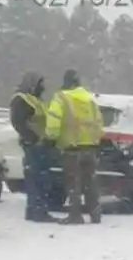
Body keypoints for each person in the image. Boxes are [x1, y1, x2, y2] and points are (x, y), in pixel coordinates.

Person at [44, 68, 103, 225]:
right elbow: (99, 122)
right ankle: (95, 213)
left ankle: (75, 216)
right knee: (90, 182)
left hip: (71, 147)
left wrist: (51, 138)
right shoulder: (89, 99)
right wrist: (96, 141)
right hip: (90, 147)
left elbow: (54, 119)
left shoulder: (61, 98)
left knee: (73, 183)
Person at [9, 72, 54, 222]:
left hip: (42, 145)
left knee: (41, 179)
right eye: (40, 84)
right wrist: (31, 138)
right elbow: (18, 122)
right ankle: (36, 210)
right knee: (36, 178)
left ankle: (38, 209)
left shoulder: (37, 100)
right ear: (32, 84)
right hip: (33, 145)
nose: (43, 87)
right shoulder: (21, 99)